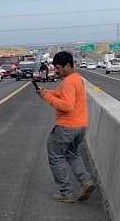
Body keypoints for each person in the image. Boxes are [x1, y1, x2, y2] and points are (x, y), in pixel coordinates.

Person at [35, 51, 95, 203]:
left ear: (67, 66)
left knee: (55, 156)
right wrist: (46, 92)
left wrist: (47, 97)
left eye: (58, 68)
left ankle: (66, 193)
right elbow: (60, 94)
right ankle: (86, 181)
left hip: (67, 126)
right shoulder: (76, 78)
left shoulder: (68, 82)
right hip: (81, 125)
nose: (56, 71)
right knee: (72, 153)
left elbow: (67, 106)